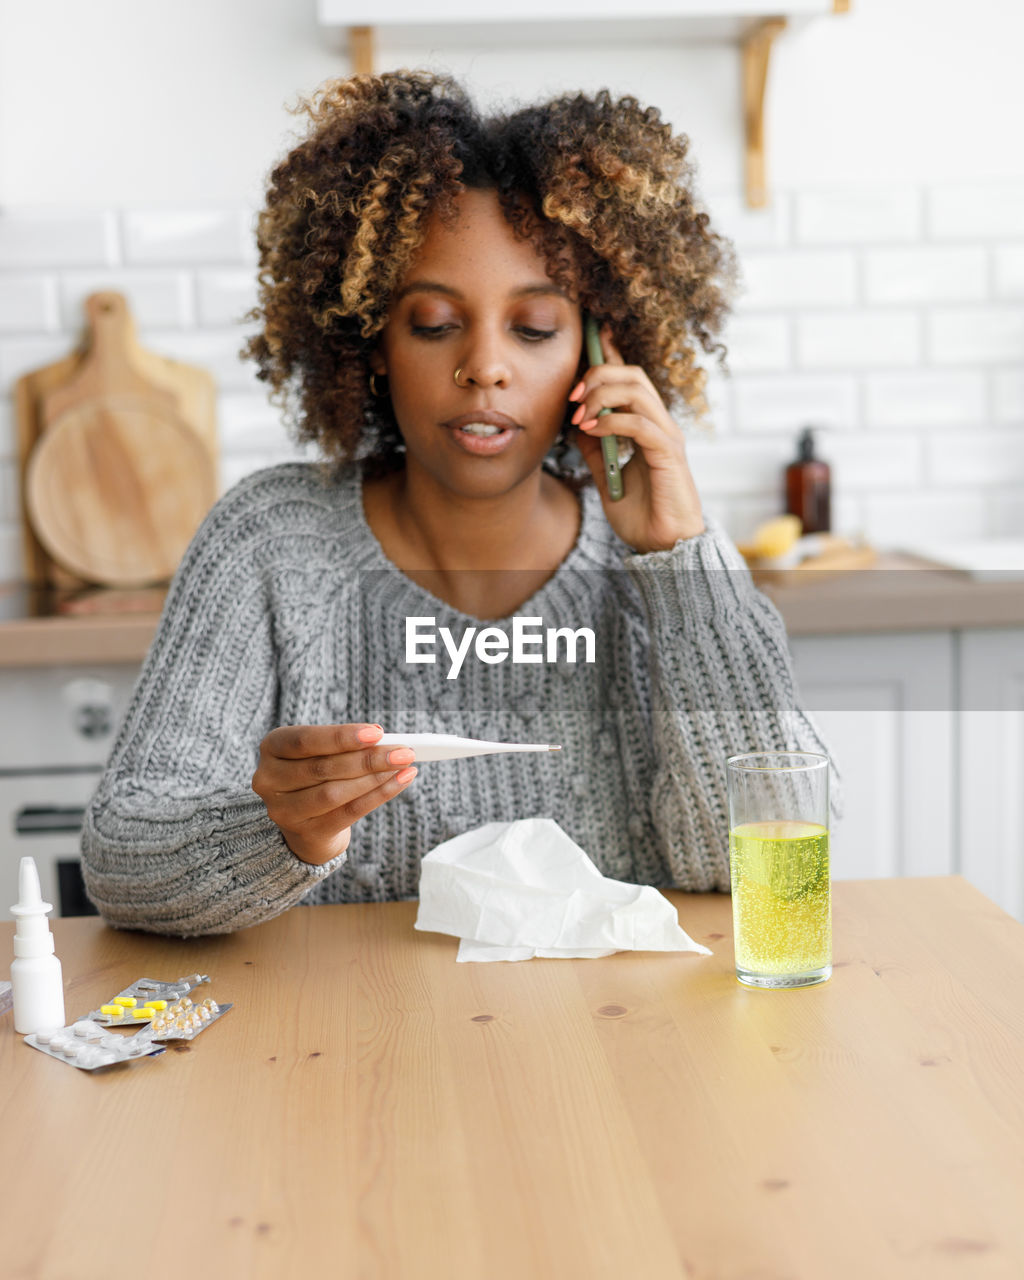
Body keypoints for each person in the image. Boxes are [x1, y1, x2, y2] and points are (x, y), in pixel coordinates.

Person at [81, 70, 835, 936]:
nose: (485, 366)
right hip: (355, 1057)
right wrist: (282, 833)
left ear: (602, 349)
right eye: (436, 323)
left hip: (616, 1056)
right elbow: (122, 861)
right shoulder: (269, 545)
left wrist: (681, 565)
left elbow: (776, 874)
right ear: (370, 344)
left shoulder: (661, 568)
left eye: (536, 328)